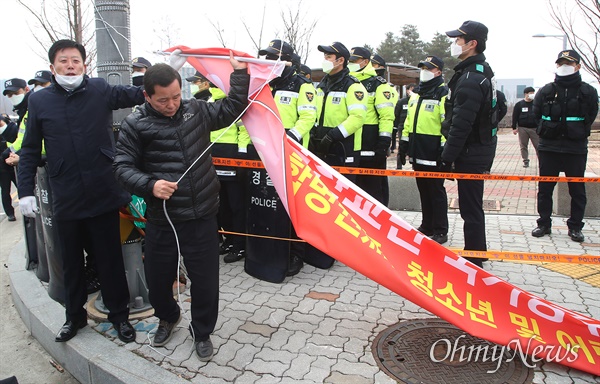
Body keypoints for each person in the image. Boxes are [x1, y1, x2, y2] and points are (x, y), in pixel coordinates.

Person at [113, 55, 249, 361]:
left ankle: (201, 331)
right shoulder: (136, 125)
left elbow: (231, 109)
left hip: (201, 213)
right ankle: (167, 316)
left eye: (176, 97)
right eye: (163, 100)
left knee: (205, 280)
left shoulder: (196, 110)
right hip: (162, 218)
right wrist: (150, 185)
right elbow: (121, 167)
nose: (171, 104)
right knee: (159, 278)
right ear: (147, 96)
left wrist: (240, 75)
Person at [17, 39, 144, 343]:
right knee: (70, 263)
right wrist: (25, 192)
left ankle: (119, 317)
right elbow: (30, 149)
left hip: (102, 192)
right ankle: (74, 318)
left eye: (75, 60)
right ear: (53, 67)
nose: (70, 65)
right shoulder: (40, 102)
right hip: (67, 196)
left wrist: (164, 75)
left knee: (109, 261)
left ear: (84, 65)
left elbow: (135, 94)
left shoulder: (99, 89)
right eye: (63, 61)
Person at [256, 39, 318, 278]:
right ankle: (272, 249)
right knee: (270, 203)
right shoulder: (264, 84)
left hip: (291, 153)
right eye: (267, 57)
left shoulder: (302, 85)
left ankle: (296, 253)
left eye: (273, 58)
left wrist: (288, 137)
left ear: (287, 60)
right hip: (264, 152)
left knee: (293, 206)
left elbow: (307, 118)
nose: (268, 62)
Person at [440, 21, 498, 268]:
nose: (455, 44)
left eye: (459, 40)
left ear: (472, 43)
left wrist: (446, 157)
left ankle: (475, 257)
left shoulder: (472, 78)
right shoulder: (479, 72)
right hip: (478, 149)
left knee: (471, 207)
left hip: (471, 152)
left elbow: (461, 124)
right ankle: (476, 252)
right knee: (470, 205)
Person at [307, 41, 367, 269]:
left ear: (340, 60)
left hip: (343, 149)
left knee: (344, 201)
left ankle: (347, 248)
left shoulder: (353, 86)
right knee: (324, 199)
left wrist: (333, 136)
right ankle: (326, 245)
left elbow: (357, 118)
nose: (324, 59)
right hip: (321, 148)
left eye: (328, 56)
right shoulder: (322, 84)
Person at [531, 50, 598, 243]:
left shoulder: (588, 91)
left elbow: (591, 115)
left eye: (568, 63)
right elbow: (537, 115)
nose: (563, 67)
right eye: (560, 63)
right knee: (545, 189)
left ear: (577, 66)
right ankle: (544, 223)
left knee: (577, 190)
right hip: (549, 146)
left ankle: (575, 226)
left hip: (575, 148)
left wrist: (575, 130)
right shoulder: (546, 90)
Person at [399, 55, 449, 244]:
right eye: (423, 68)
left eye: (429, 69)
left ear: (439, 72)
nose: (424, 72)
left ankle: (440, 230)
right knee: (423, 190)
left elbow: (446, 124)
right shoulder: (417, 94)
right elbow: (408, 122)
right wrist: (404, 145)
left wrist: (444, 150)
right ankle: (427, 225)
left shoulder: (443, 94)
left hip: (434, 151)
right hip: (417, 151)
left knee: (436, 191)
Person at [348, 47, 395, 205]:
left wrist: (383, 143)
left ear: (365, 62)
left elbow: (386, 117)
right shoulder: (348, 83)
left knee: (374, 190)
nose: (351, 64)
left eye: (354, 61)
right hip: (351, 144)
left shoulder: (378, 85)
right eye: (350, 61)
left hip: (371, 145)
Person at [512, 86, 539, 168]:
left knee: (538, 145)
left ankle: (541, 160)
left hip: (535, 128)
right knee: (523, 145)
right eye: (530, 93)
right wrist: (514, 128)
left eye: (533, 93)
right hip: (523, 128)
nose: (532, 95)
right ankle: (525, 160)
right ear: (525, 94)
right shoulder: (519, 105)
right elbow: (515, 116)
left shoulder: (536, 104)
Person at [395, 83, 416, 169]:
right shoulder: (402, 101)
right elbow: (396, 114)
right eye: (410, 89)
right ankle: (399, 166)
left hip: (413, 129)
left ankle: (414, 166)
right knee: (402, 146)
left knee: (414, 148)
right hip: (402, 128)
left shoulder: (417, 102)